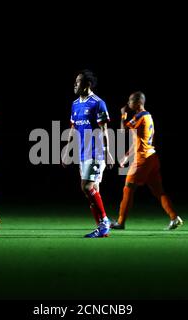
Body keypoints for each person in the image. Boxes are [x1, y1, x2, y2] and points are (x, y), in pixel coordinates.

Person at [111, 92, 183, 230]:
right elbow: (140, 140)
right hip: (152, 158)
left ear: (138, 102)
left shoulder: (139, 116)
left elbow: (122, 131)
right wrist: (127, 155)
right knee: (159, 191)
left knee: (128, 188)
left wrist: (122, 115)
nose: (128, 103)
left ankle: (120, 222)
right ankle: (174, 217)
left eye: (130, 100)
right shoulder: (148, 116)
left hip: (142, 159)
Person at [62, 70, 114, 238]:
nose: (75, 84)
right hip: (83, 153)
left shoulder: (98, 103)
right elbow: (73, 129)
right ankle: (101, 228)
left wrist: (109, 152)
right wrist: (66, 150)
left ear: (88, 84)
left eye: (78, 82)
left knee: (86, 186)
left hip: (97, 152)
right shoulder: (75, 104)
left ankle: (105, 221)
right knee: (90, 191)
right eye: (75, 81)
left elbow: (104, 130)